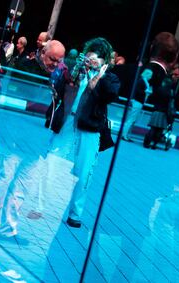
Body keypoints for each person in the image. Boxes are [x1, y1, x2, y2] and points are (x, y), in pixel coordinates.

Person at [0, 40, 66, 237]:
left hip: (35, 140)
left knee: (21, 186)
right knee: (1, 180)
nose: (55, 63)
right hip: (13, 135)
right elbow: (14, 103)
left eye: (59, 61)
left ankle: (8, 228)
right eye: (53, 59)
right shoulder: (24, 67)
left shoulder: (55, 75)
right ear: (42, 52)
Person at [45, 37, 120, 228]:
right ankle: (43, 203)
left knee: (83, 171)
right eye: (88, 57)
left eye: (95, 59)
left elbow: (112, 94)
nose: (90, 62)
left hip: (90, 126)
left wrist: (100, 74)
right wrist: (75, 71)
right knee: (52, 160)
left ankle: (75, 213)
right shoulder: (77, 71)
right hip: (68, 120)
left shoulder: (108, 77)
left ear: (103, 60)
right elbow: (58, 87)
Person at [142, 32, 179, 149]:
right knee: (158, 129)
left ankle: (151, 142)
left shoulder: (163, 80)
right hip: (162, 110)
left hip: (158, 109)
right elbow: (168, 96)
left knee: (155, 128)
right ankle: (153, 143)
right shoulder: (167, 82)